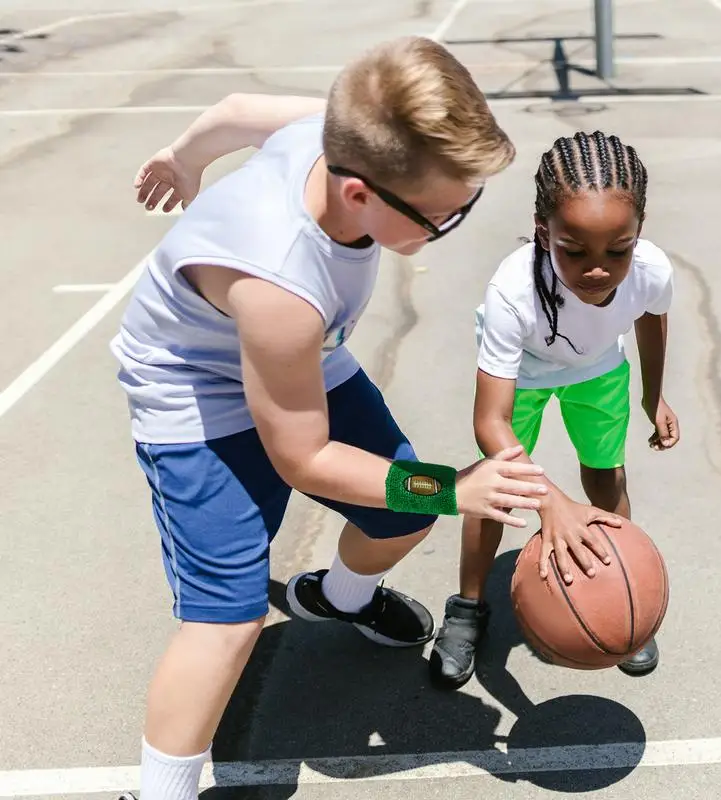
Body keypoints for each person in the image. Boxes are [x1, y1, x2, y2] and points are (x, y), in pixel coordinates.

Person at [110, 37, 555, 800]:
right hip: (194, 391)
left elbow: (235, 113)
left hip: (307, 357)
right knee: (228, 621)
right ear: (359, 195)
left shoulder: (339, 128)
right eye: (445, 215)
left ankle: (334, 598)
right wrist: (454, 487)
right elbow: (305, 459)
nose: (454, 223)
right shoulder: (281, 279)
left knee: (398, 516)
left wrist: (183, 157)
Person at [428, 130, 680, 690]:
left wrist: (652, 394)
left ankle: (617, 586)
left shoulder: (652, 270)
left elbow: (651, 321)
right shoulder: (512, 292)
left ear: (638, 235)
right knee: (497, 489)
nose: (598, 270)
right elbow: (489, 421)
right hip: (526, 374)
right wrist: (548, 501)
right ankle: (468, 608)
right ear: (544, 233)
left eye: (619, 250)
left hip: (598, 369)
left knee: (605, 473)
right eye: (575, 250)